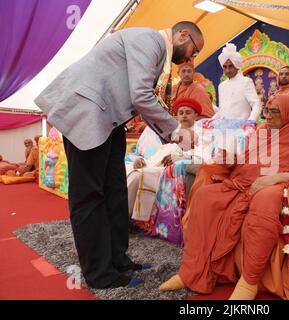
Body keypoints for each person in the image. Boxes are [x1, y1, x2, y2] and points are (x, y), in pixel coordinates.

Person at [34, 21, 204, 289]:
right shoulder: (150, 40)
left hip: (110, 119)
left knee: (115, 189)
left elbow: (139, 95)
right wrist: (177, 132)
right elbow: (140, 95)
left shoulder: (156, 49)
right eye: (194, 50)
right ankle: (99, 274)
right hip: (86, 111)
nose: (192, 57)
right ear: (184, 35)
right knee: (89, 195)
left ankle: (118, 260)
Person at [159, 95, 289, 299]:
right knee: (204, 196)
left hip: (278, 186)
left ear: (288, 112)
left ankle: (249, 282)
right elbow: (248, 161)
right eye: (266, 111)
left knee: (265, 200)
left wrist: (273, 179)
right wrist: (231, 160)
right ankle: (191, 272)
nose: (267, 116)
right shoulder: (263, 133)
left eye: (274, 112)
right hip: (243, 184)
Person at [213, 43, 261, 121]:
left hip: (241, 129)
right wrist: (210, 121)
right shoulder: (221, 86)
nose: (227, 70)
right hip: (224, 129)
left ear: (237, 66)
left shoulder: (246, 82)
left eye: (230, 66)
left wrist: (251, 121)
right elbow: (222, 111)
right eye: (225, 67)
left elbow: (256, 104)